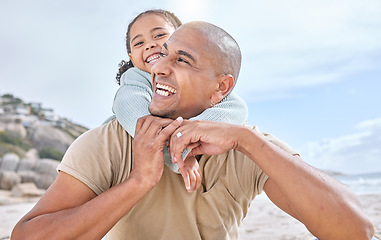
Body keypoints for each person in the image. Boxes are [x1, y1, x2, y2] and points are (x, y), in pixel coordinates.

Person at [11, 21, 375, 240]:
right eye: (162, 54)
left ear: (221, 89)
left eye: (181, 60)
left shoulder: (245, 146)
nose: (159, 67)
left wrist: (246, 140)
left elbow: (354, 231)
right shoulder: (108, 143)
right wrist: (138, 181)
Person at [109, 9, 248, 191]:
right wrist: (180, 152)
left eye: (159, 35)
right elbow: (131, 113)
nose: (149, 45)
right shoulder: (135, 78)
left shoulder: (207, 86)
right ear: (132, 58)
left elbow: (236, 108)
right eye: (139, 43)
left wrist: (194, 134)